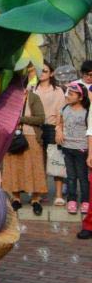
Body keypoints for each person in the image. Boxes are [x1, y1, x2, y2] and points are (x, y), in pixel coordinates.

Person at [1, 86, 47, 214]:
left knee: (34, 168)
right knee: (13, 167)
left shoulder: (33, 97)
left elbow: (41, 118)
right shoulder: (8, 98)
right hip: (13, 138)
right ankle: (16, 198)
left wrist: (21, 119)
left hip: (32, 137)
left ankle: (35, 199)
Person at [34, 62, 68, 205]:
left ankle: (59, 195)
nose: (41, 73)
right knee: (38, 161)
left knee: (56, 161)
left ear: (52, 73)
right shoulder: (32, 89)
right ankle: (41, 193)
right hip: (35, 127)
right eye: (39, 70)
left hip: (52, 127)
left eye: (45, 71)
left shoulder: (58, 90)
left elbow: (61, 112)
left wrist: (59, 129)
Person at [58, 83, 90, 215]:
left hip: (81, 149)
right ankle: (72, 200)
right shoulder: (65, 108)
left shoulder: (87, 112)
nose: (68, 96)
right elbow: (59, 123)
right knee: (70, 176)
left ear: (80, 97)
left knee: (82, 177)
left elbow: (89, 132)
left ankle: (85, 201)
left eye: (71, 94)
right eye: (68, 93)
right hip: (67, 147)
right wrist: (58, 131)